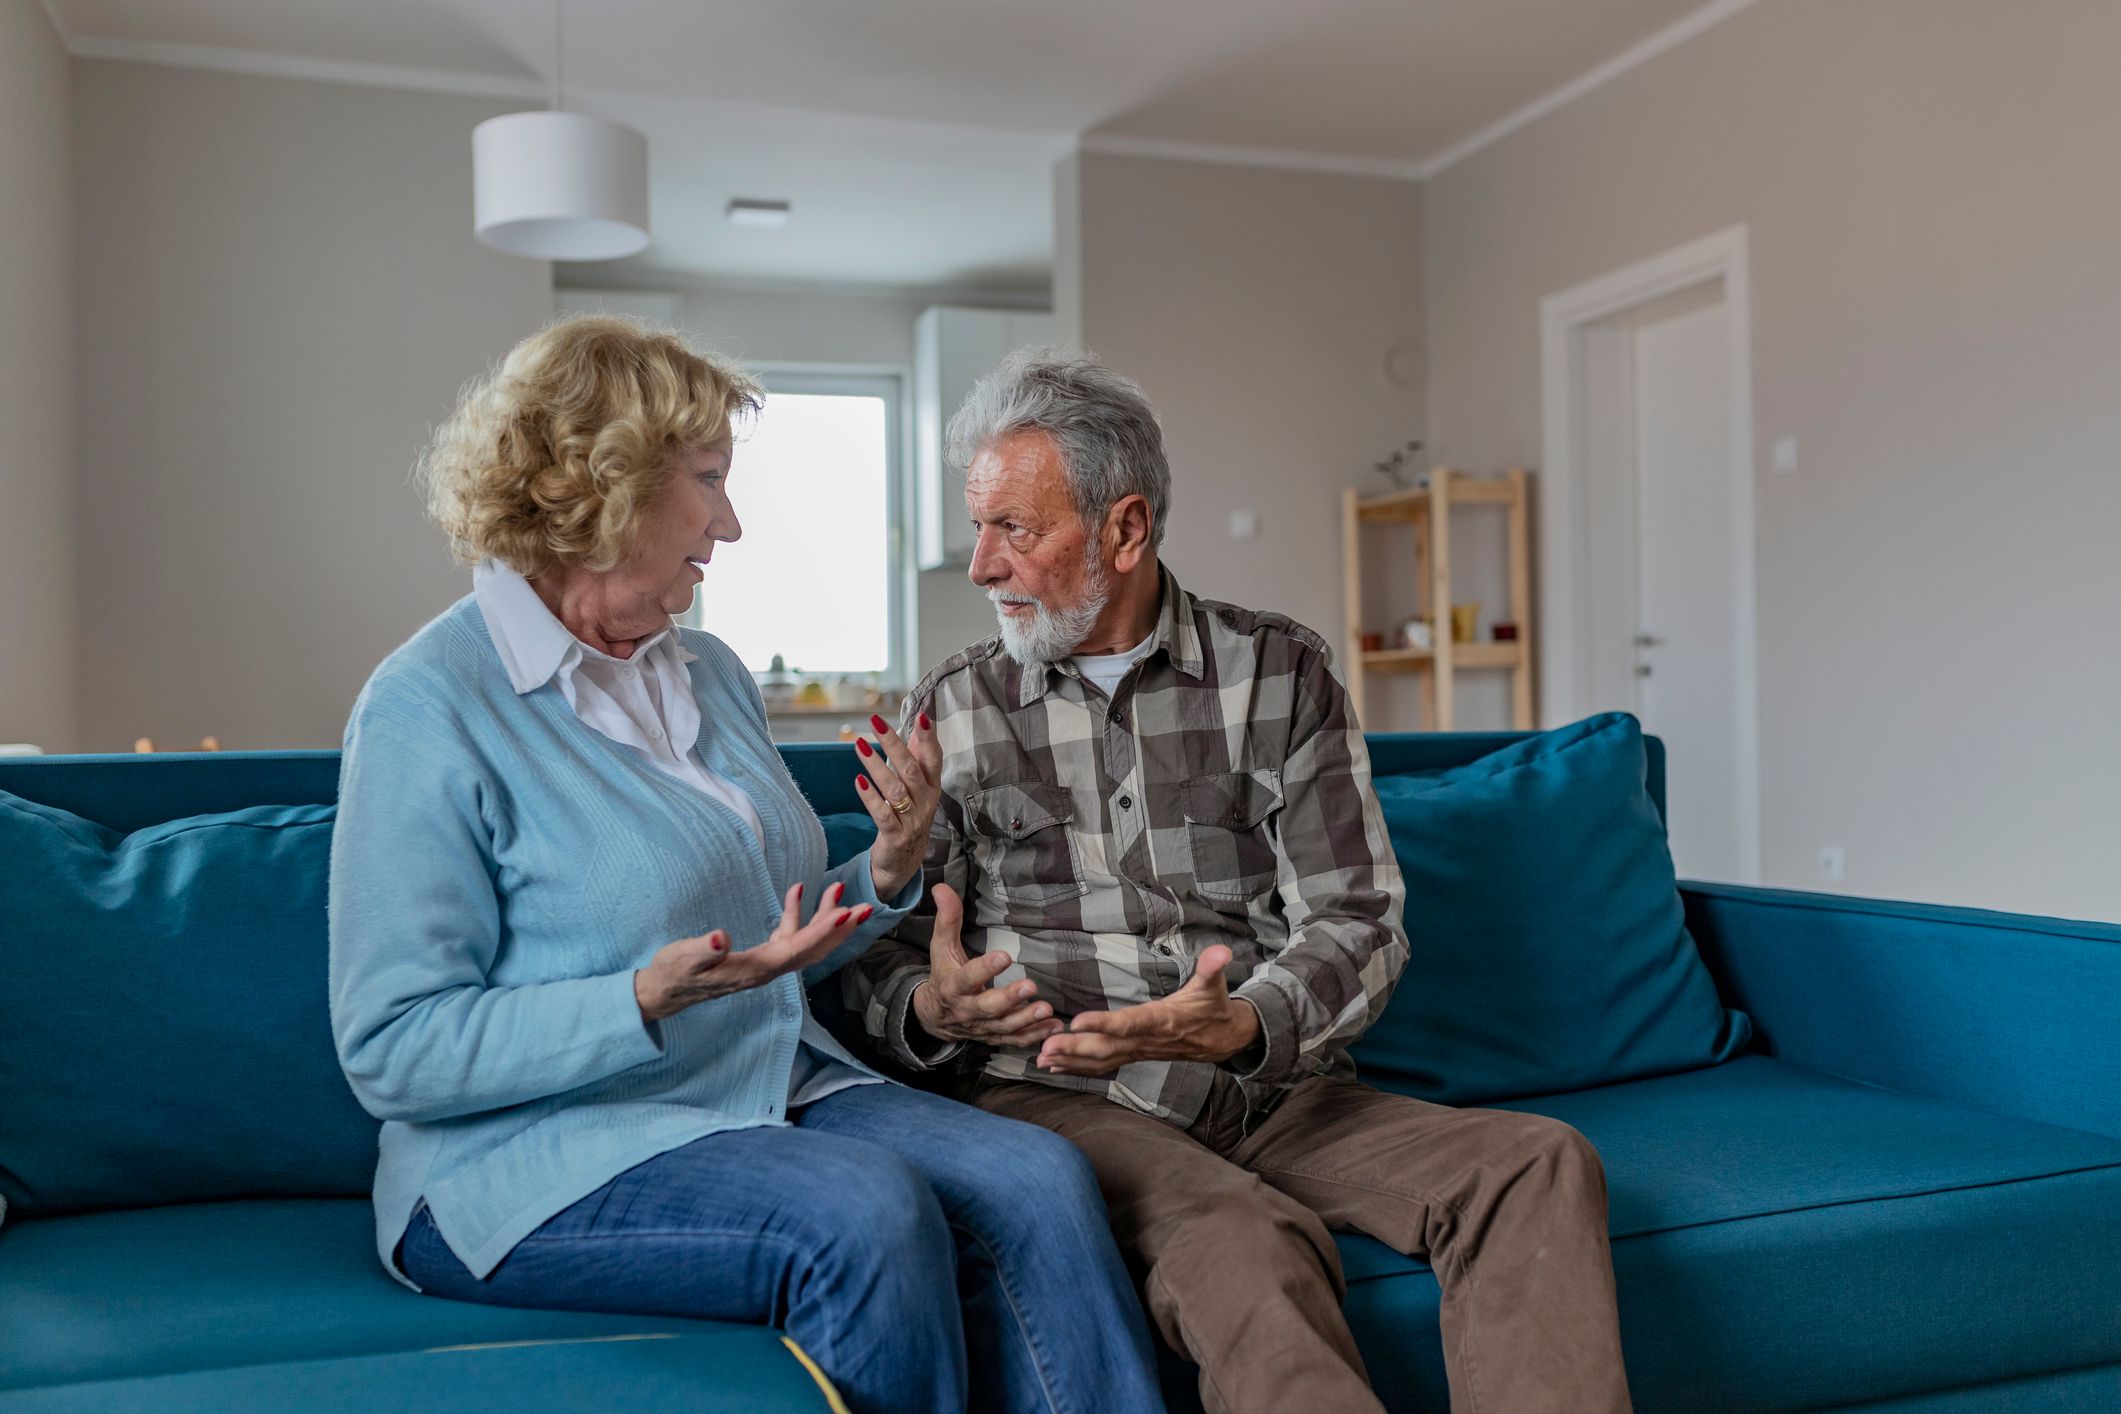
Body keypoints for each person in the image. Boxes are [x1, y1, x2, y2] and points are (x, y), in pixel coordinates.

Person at [328, 317, 1164, 1414]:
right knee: (863, 1212)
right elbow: (393, 1049)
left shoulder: (708, 671)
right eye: (709, 479)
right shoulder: (428, 708)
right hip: (543, 1153)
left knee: (1042, 1180)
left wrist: (885, 869)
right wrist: (636, 999)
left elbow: (766, 938)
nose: (729, 520)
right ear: (605, 480)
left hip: (769, 1085)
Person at [850, 349, 1635, 1414]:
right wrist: (929, 1007)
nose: (981, 564)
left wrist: (1242, 1025)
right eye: (978, 524)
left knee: (1535, 1164)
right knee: (1246, 1245)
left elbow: (1360, 917)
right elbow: (884, 952)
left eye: (1015, 530)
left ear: (1126, 529)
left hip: (1272, 1085)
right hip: (1068, 1094)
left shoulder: (1282, 673)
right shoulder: (955, 706)